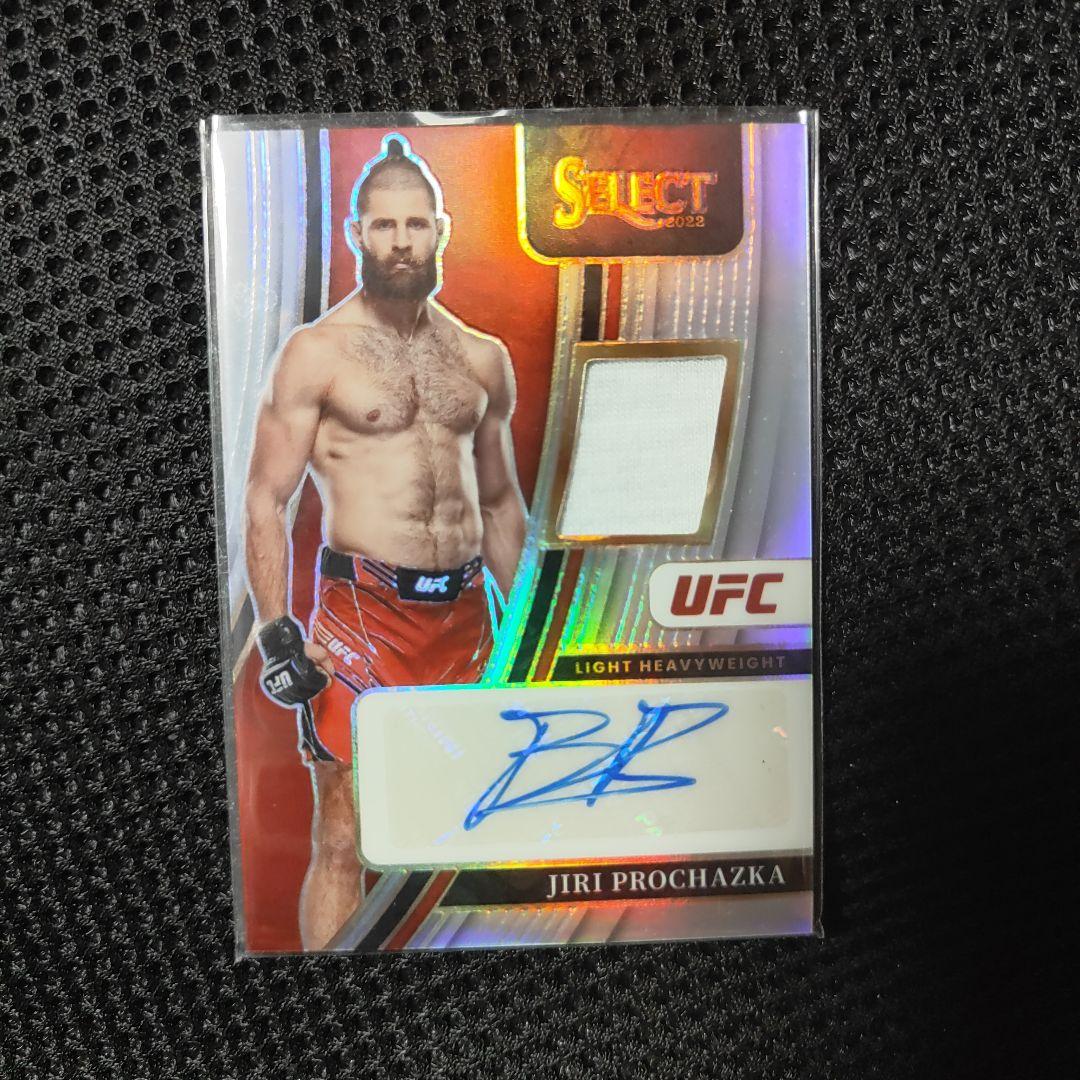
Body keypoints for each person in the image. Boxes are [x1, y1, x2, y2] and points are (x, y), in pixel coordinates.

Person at [244, 135, 526, 950]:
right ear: (355, 234)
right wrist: (276, 632)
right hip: (362, 619)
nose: (401, 241)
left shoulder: (482, 358)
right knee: (345, 833)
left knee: (479, 831)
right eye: (383, 225)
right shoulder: (316, 353)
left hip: (468, 620)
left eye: (416, 224)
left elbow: (500, 503)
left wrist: (532, 625)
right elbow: (267, 498)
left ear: (441, 231)